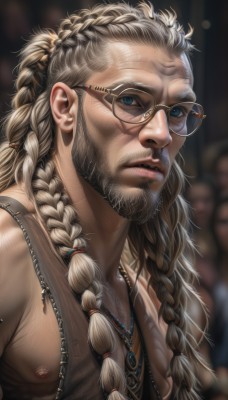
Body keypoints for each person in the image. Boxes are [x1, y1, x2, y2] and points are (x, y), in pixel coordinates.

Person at [0, 2, 209, 399]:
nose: (161, 134)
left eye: (178, 110)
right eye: (131, 100)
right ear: (65, 107)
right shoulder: (6, 250)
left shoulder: (152, 295)